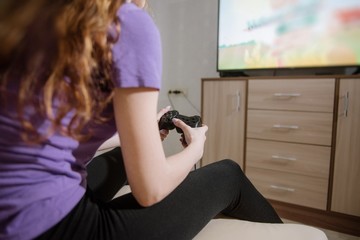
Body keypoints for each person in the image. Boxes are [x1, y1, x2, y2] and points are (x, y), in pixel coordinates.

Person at [0, 0, 282, 239]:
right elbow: (151, 189)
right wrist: (197, 147)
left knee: (124, 156)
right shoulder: (123, 23)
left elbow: (52, 134)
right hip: (44, 227)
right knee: (228, 175)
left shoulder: (24, 16)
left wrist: (135, 134)